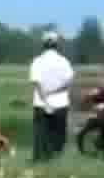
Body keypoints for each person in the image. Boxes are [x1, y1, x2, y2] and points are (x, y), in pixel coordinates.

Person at [28, 31, 74, 160]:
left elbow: (36, 83)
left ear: (43, 44)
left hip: (41, 104)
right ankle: (56, 160)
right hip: (60, 103)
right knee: (58, 137)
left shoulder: (37, 61)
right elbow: (68, 83)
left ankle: (40, 160)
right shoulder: (64, 61)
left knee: (41, 137)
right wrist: (53, 92)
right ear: (57, 45)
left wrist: (44, 98)